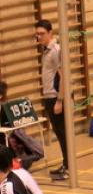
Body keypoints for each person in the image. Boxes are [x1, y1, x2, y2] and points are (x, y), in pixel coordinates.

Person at [35, 19, 68, 180]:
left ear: (50, 33)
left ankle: (68, 168)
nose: (39, 36)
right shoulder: (46, 50)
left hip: (56, 98)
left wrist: (60, 100)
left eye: (42, 33)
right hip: (50, 97)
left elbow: (64, 77)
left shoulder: (56, 50)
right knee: (60, 133)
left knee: (63, 134)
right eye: (37, 34)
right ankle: (66, 165)